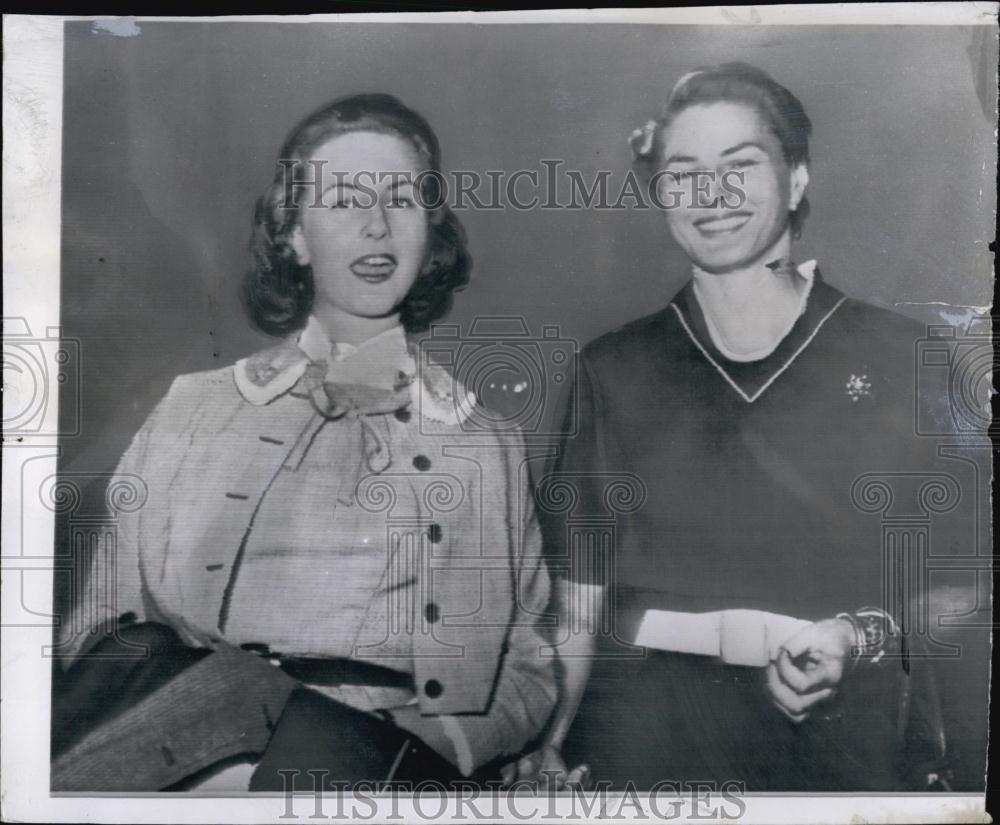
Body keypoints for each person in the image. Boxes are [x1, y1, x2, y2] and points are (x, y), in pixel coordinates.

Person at [51, 93, 555, 791]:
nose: (377, 226)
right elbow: (99, 629)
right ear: (293, 234)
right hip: (188, 755)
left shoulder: (485, 445)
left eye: (402, 198)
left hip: (379, 769)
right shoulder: (191, 413)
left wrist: (429, 743)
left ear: (431, 232)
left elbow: (527, 669)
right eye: (346, 199)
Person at [520, 62, 969, 791]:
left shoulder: (904, 356)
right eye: (684, 171)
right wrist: (545, 745)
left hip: (845, 747)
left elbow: (962, 586)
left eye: (740, 164)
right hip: (645, 743)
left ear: (796, 180)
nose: (711, 194)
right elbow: (577, 601)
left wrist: (858, 637)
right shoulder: (611, 370)